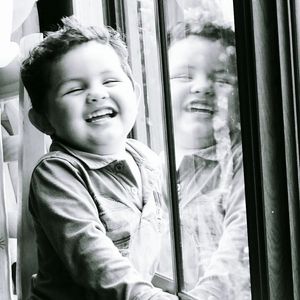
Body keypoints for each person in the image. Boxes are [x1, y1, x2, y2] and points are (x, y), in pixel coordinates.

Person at [20, 16, 177, 300]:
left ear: (136, 95)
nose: (96, 94)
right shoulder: (57, 173)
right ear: (43, 120)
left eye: (110, 80)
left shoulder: (148, 160)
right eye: (75, 89)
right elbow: (93, 259)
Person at [158, 21, 251, 299]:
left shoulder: (245, 165)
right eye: (184, 76)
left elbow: (237, 256)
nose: (202, 87)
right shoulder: (150, 166)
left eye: (222, 80)